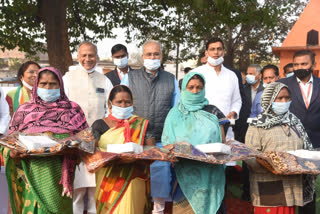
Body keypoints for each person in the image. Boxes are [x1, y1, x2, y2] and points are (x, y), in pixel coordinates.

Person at [2, 67, 88, 214]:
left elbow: (87, 140)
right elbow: (10, 142)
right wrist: (14, 153)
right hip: (32, 173)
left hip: (60, 175)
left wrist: (72, 147)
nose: (48, 88)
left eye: (53, 84)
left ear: (60, 85)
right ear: (37, 85)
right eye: (43, 84)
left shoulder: (73, 110)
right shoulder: (24, 111)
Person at [121, 40, 179, 214]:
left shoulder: (171, 79)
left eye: (156, 54)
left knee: (160, 177)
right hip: (135, 136)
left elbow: (176, 109)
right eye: (149, 54)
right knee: (134, 177)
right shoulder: (129, 77)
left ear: (161, 57)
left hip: (161, 138)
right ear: (142, 57)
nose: (152, 57)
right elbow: (121, 105)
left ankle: (158, 210)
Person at [162, 72, 227, 214]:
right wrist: (177, 150)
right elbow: (167, 144)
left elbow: (222, 141)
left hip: (211, 173)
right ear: (183, 89)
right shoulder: (174, 114)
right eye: (190, 87)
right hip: (184, 172)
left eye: (199, 87)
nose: (195, 91)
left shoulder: (213, 111)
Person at [246, 82, 314, 214]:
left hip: (291, 185)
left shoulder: (295, 122)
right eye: (280, 98)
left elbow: (305, 148)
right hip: (269, 186)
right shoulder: (257, 125)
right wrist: (273, 165)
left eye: (287, 98)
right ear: (269, 99)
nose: (284, 101)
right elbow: (250, 157)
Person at [63, 41, 113, 214]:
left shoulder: (105, 81)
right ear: (78, 57)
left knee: (94, 190)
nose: (87, 59)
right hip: (75, 142)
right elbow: (63, 108)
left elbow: (109, 110)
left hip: (98, 142)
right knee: (78, 191)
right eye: (83, 55)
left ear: (97, 57)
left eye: (91, 55)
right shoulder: (67, 79)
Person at [92, 85, 155, 213]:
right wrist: (110, 157)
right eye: (119, 102)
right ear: (110, 104)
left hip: (134, 177)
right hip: (108, 179)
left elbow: (152, 152)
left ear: (132, 103)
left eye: (127, 102)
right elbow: (92, 153)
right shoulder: (99, 124)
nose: (123, 105)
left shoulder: (143, 124)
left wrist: (136, 156)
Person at [278, 49, 320, 213]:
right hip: (290, 142)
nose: (299, 67)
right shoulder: (282, 85)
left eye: (304, 64)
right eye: (296, 64)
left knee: (309, 189)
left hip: (316, 143)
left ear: (313, 65)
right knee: (287, 188)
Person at [193, 38, 242, 141]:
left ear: (223, 52)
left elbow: (237, 100)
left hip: (226, 130)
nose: (216, 52)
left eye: (219, 49)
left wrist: (233, 112)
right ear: (206, 53)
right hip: (201, 129)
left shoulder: (231, 75)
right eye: (212, 49)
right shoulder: (196, 74)